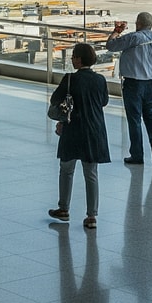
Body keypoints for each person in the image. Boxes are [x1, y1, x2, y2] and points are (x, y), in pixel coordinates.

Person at [48, 42, 111, 229]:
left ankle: (64, 208)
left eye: (74, 56)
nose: (72, 59)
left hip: (73, 129)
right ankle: (92, 216)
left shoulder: (69, 79)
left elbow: (55, 100)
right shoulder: (100, 80)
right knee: (91, 173)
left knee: (66, 169)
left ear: (78, 59)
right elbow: (104, 101)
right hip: (94, 130)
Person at [106, 12, 152, 165]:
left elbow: (111, 46)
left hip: (134, 85)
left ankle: (137, 155)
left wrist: (116, 31)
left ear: (138, 24)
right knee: (151, 116)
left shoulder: (134, 38)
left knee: (134, 120)